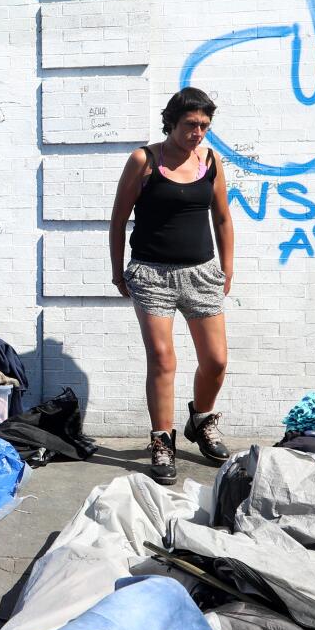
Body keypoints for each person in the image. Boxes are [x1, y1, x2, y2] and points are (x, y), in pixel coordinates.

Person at [108, 88, 235, 484]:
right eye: (191, 125)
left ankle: (201, 419)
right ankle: (162, 441)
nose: (198, 133)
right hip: (152, 274)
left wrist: (227, 268)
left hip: (201, 273)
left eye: (204, 126)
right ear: (172, 123)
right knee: (163, 359)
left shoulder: (211, 161)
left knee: (216, 361)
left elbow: (223, 218)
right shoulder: (144, 160)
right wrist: (117, 270)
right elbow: (118, 219)